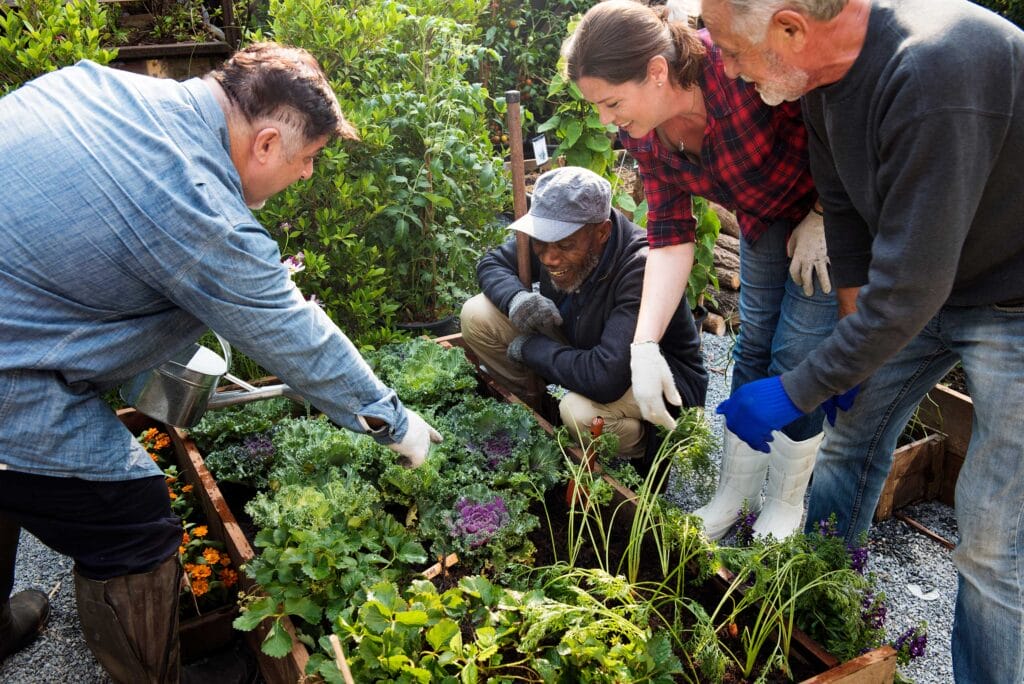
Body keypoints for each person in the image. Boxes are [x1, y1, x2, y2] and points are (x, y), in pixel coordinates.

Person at [0, 43, 442, 681]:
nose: (309, 174)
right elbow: (296, 336)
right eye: (309, 158)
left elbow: (94, 253)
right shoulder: (198, 204)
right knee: (133, 522)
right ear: (265, 144)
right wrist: (393, 423)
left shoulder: (104, 89)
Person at [699, 0, 1024, 680]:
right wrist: (848, 352)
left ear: (790, 28)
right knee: (846, 440)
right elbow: (844, 216)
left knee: (994, 539)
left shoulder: (936, 69)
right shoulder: (822, 84)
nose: (723, 68)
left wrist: (797, 388)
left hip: (1012, 300)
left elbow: (907, 292)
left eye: (729, 50)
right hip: (933, 281)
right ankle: (819, 609)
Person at [562, 0, 837, 539]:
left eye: (611, 101)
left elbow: (832, 119)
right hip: (762, 219)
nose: (604, 119)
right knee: (754, 344)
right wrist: (643, 347)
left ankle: (784, 503)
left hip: (828, 218)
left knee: (797, 352)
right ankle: (733, 494)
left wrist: (825, 212)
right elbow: (669, 234)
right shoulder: (644, 131)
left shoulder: (738, 65)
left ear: (657, 72)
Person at [460, 166, 707, 466]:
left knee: (579, 414)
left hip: (654, 382)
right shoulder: (555, 241)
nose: (549, 257)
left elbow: (605, 378)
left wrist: (531, 349)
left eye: (564, 245)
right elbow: (493, 262)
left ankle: (648, 446)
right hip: (586, 347)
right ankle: (533, 412)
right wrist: (517, 298)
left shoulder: (639, 266)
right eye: (541, 243)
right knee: (477, 314)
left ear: (601, 232)